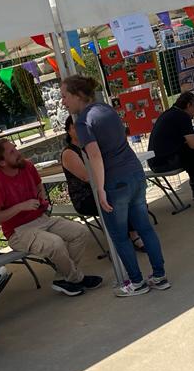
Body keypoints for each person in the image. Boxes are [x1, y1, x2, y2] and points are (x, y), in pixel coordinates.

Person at [60, 75, 168, 296]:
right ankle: (160, 276)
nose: (62, 102)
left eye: (64, 96)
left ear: (77, 95)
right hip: (135, 173)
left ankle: (136, 283)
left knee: (120, 236)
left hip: (115, 182)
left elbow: (95, 156)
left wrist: (100, 189)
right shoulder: (106, 109)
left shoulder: (83, 122)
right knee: (145, 228)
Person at [0, 138, 101, 297]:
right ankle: (76, 278)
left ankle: (64, 278)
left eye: (15, 148)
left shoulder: (27, 166)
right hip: (18, 231)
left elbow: (39, 184)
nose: (18, 153)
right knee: (56, 244)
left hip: (41, 218)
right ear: (1, 161)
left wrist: (41, 197)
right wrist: (20, 207)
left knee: (80, 232)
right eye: (12, 152)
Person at [61, 116, 145, 249]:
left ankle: (133, 232)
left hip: (102, 188)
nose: (79, 130)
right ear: (68, 131)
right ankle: (131, 236)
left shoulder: (90, 146)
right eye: (74, 127)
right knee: (117, 200)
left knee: (128, 193)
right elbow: (86, 177)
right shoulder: (69, 153)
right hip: (85, 197)